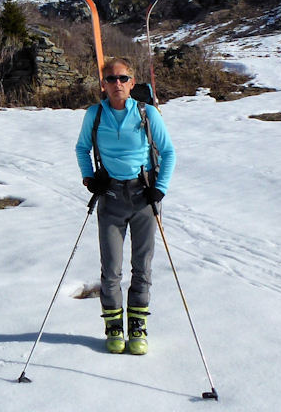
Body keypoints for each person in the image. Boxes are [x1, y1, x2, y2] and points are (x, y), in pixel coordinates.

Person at [75, 56, 175, 355]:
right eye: (111, 79)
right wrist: (90, 179)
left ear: (132, 82)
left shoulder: (147, 114)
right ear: (103, 85)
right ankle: (114, 327)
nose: (117, 84)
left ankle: (138, 326)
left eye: (123, 78)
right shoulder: (94, 114)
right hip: (111, 198)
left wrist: (159, 189)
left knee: (142, 268)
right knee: (111, 271)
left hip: (142, 196)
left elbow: (168, 152)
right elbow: (82, 148)